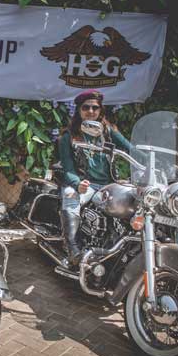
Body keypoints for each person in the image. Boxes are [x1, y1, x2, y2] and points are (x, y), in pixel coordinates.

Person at [57, 89, 131, 265]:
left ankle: (123, 245)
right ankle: (72, 248)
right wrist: (77, 184)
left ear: (100, 110)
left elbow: (131, 149)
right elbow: (67, 168)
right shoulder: (69, 136)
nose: (90, 111)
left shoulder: (108, 132)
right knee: (70, 196)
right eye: (86, 107)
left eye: (95, 108)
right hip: (86, 185)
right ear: (78, 110)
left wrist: (152, 161)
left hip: (108, 185)